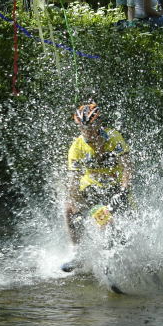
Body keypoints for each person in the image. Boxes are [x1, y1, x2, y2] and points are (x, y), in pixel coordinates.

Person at [62, 102, 132, 271]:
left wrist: (123, 190)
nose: (88, 132)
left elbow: (128, 167)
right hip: (91, 188)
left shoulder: (114, 137)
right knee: (69, 208)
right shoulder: (76, 148)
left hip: (115, 188)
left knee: (106, 219)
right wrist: (76, 207)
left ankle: (111, 258)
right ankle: (77, 253)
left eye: (91, 127)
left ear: (99, 124)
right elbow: (73, 183)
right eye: (83, 128)